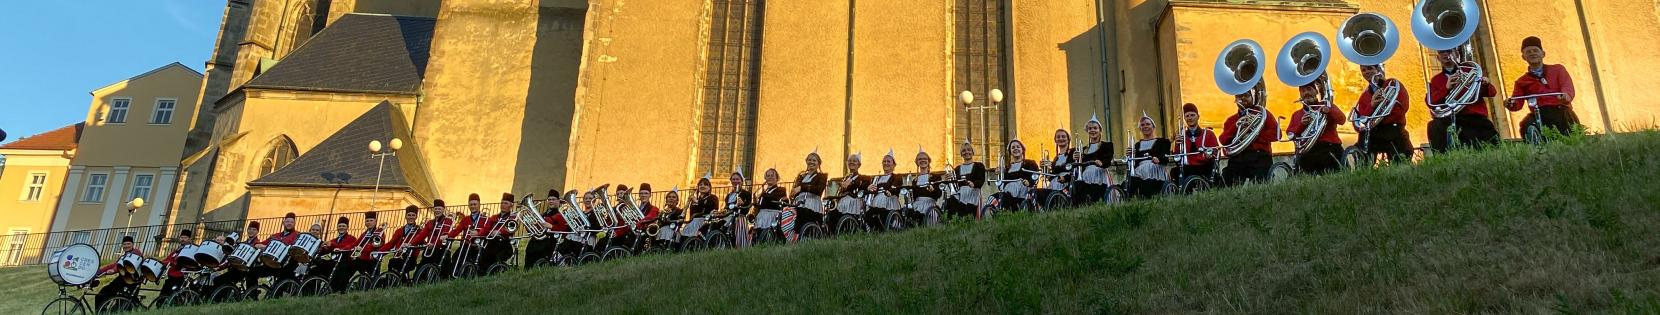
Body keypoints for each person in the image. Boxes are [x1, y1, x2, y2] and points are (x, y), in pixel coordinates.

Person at [1426, 48, 1500, 152]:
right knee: (1434, 127)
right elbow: (1431, 102)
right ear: (1438, 57)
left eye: (1449, 51)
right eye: (1442, 52)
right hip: (1452, 118)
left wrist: (1484, 84)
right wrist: (1446, 88)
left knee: (1485, 136)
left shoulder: (1470, 72)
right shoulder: (1436, 80)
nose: (1446, 54)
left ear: (1456, 54)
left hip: (1475, 118)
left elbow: (1492, 93)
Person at [1506, 36, 1580, 138]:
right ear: (1523, 57)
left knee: (1569, 127)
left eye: (1535, 50)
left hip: (1561, 110)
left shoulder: (1558, 69)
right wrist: (1510, 103)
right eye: (1528, 52)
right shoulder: (1521, 82)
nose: (1532, 53)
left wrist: (1565, 96)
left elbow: (1567, 86)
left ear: (1543, 54)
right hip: (1539, 113)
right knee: (1527, 125)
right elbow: (1516, 103)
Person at [1285, 75, 1348, 176]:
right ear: (1300, 95)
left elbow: (1342, 120)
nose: (1306, 93)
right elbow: (1290, 134)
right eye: (1303, 91)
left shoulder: (1327, 105)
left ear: (1316, 91)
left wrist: (1329, 110)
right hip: (1308, 152)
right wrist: (1302, 124)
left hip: (1330, 148)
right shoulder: (1296, 114)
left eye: (1309, 89)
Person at [1352, 64, 1414, 163]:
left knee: (1401, 151)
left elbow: (1403, 107)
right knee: (1362, 140)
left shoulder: (1392, 84)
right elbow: (1361, 118)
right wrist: (1372, 105)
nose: (1366, 72)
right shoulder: (1364, 95)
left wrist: (1380, 120)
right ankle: (1364, 170)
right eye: (1363, 70)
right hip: (1374, 132)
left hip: (1393, 128)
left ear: (1378, 69)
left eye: (1370, 68)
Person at [1221, 84, 1280, 185]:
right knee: (1227, 176)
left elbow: (1277, 134)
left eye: (1246, 95)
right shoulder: (1231, 120)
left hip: (1260, 155)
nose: (1243, 98)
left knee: (1261, 177)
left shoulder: (1263, 114)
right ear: (1235, 99)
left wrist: (1253, 136)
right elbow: (1223, 140)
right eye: (1239, 96)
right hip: (1239, 156)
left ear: (1252, 97)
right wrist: (1236, 126)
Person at [1126, 114, 1172, 199]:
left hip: (1156, 170)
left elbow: (1165, 157)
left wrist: (1158, 159)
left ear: (1153, 127)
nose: (1145, 126)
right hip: (1140, 172)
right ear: (1140, 129)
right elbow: (1134, 163)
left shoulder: (1163, 142)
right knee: (1130, 181)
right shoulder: (1137, 145)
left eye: (1148, 124)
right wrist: (1129, 156)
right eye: (1142, 125)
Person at [1172, 104, 1221, 182]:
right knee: (1175, 172)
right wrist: (1177, 144)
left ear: (1198, 116)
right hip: (1188, 167)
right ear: (1184, 118)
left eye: (1192, 115)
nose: (1190, 118)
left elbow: (1216, 151)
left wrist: (1210, 155)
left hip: (1204, 166)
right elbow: (1177, 157)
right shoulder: (1182, 136)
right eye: (1187, 116)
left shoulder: (1209, 133)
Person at [95, 236, 144, 307]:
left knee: (122, 303)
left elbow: (125, 265)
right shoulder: (123, 256)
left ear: (132, 244)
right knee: (102, 295)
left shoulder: (136, 253)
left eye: (128, 244)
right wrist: (99, 271)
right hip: (123, 279)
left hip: (133, 281)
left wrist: (114, 270)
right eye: (124, 244)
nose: (126, 246)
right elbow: (115, 264)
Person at [1076, 115, 1114, 204]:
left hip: (1099, 174)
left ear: (1100, 130)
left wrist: (1101, 163)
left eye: (1095, 128)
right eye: (1090, 129)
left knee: (1099, 197)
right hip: (1086, 176)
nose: (1092, 130)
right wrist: (1076, 159)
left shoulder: (1107, 145)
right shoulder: (1084, 149)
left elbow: (1108, 159)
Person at [944, 141, 986, 220]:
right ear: (961, 154)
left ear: (972, 152)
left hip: (973, 194)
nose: (966, 152)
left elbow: (981, 180)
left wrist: (973, 184)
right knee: (950, 202)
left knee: (967, 215)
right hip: (960, 195)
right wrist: (947, 180)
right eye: (964, 150)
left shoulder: (979, 166)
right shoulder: (957, 169)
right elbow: (954, 186)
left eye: (969, 150)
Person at [995, 140, 1041, 212]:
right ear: (1010, 152)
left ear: (1022, 150)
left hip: (1022, 193)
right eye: (1013, 147)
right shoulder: (1007, 168)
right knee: (995, 197)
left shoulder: (1030, 163)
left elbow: (1035, 176)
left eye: (1018, 147)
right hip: (1007, 193)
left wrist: (1029, 182)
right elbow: (1002, 183)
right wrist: (1000, 173)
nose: (1015, 149)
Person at [446, 194, 489, 268]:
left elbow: (488, 231)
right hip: (466, 245)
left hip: (478, 246)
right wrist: (447, 236)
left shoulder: (486, 219)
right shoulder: (465, 219)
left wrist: (478, 233)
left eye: (475, 204)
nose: (472, 206)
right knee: (455, 257)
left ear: (479, 205)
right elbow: (457, 230)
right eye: (471, 205)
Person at [380, 206, 425, 276]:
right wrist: (380, 252)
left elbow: (422, 242)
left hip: (410, 258)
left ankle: (402, 280)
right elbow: (391, 243)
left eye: (413, 215)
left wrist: (410, 245)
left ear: (416, 217)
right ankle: (390, 280)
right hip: (397, 256)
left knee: (400, 264)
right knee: (391, 261)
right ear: (405, 216)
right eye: (409, 215)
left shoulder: (419, 231)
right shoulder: (399, 231)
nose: (411, 217)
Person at [318, 217, 357, 292]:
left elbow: (344, 248)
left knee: (339, 271)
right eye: (339, 226)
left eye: (343, 226)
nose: (341, 228)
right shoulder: (333, 240)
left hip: (346, 263)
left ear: (347, 227)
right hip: (334, 262)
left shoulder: (351, 238)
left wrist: (331, 245)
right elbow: (330, 251)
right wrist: (323, 248)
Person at [477, 193, 517, 269]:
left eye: (506, 203)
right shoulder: (494, 217)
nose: (503, 205)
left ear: (511, 205)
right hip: (491, 243)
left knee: (495, 261)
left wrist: (499, 231)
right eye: (502, 203)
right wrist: (478, 235)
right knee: (482, 258)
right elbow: (486, 228)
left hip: (504, 244)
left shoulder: (513, 217)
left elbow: (511, 230)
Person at [792, 152, 829, 232]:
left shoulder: (821, 176)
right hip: (799, 203)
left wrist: (802, 188)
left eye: (814, 160)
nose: (811, 162)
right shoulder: (801, 176)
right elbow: (795, 190)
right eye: (809, 160)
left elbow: (819, 190)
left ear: (818, 163)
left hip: (812, 205)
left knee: (807, 226)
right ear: (806, 162)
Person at [865, 151, 902, 231]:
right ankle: (875, 230)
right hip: (876, 202)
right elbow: (872, 190)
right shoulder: (877, 178)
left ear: (894, 165)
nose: (886, 163)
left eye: (888, 161)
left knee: (883, 214)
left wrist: (890, 191)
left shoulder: (896, 177)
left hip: (889, 201)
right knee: (868, 214)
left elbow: (896, 187)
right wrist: (869, 188)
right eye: (884, 161)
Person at [833, 154, 872, 228]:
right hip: (842, 201)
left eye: (854, 161)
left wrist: (852, 183)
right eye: (850, 161)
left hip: (854, 201)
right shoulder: (845, 178)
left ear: (859, 164)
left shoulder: (863, 178)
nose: (852, 162)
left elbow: (864, 186)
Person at [416, 199, 452, 270]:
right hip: (429, 247)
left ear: (443, 209)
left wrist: (435, 244)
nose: (437, 210)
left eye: (439, 209)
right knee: (421, 266)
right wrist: (410, 243)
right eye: (436, 209)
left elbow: (445, 234)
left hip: (441, 248)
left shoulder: (447, 221)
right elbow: (421, 235)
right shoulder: (430, 222)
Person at [158, 230, 194, 299]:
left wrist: (173, 263)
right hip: (171, 275)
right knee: (163, 295)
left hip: (181, 275)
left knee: (174, 295)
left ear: (189, 239)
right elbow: (167, 259)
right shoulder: (177, 250)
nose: (183, 239)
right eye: (181, 237)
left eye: (185, 238)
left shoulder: (191, 249)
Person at [909, 150, 942, 225]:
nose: (922, 160)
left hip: (930, 205)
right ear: (917, 162)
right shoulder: (914, 180)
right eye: (920, 159)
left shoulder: (935, 177)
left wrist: (932, 190)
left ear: (928, 161)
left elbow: (939, 194)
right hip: (916, 205)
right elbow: (913, 197)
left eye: (925, 159)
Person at [753, 169, 788, 238]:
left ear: (777, 178)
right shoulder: (765, 192)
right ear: (765, 178)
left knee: (769, 237)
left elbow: (773, 198)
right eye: (768, 176)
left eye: (772, 175)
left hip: (772, 216)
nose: (770, 177)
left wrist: (762, 194)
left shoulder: (781, 189)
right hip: (761, 217)